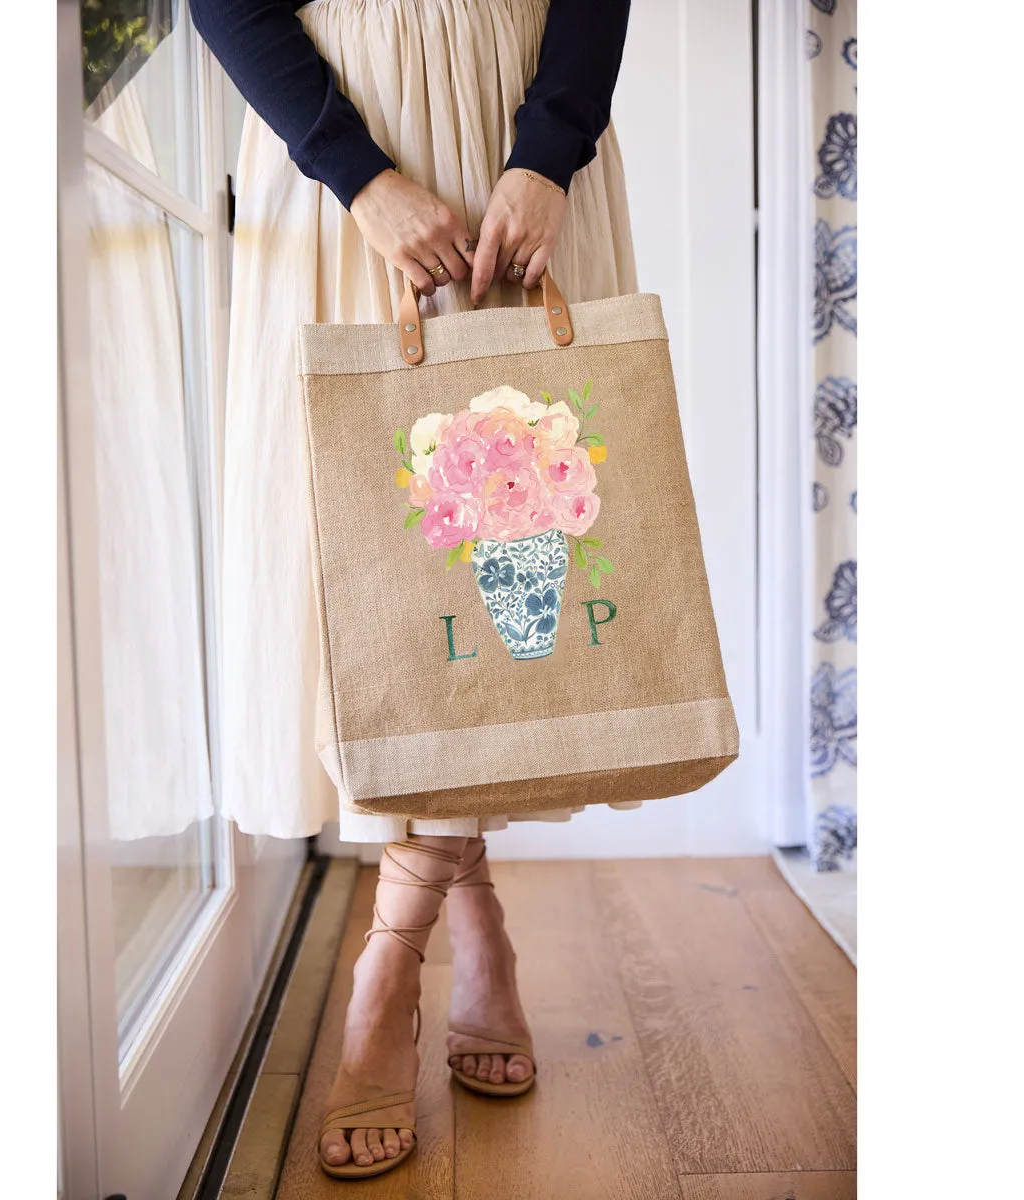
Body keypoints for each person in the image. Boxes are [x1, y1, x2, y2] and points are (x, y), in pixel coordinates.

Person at [190, 0, 635, 1179]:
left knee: (512, 547)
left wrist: (551, 150)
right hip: (342, 143)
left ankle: (388, 966)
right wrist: (360, 175)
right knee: (376, 570)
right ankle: (472, 916)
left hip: (517, 127)